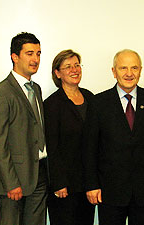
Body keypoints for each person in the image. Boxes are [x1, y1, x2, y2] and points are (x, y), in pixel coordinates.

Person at [0, 32, 48, 225]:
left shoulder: (35, 88)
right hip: (14, 181)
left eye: (38, 54)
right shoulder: (0, 93)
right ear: (15, 56)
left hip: (39, 174)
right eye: (29, 53)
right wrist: (11, 183)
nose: (35, 59)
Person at [83, 49, 144, 225]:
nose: (129, 73)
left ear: (141, 70)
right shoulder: (98, 104)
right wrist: (92, 185)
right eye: (123, 68)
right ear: (114, 71)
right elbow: (90, 149)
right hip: (110, 191)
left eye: (134, 68)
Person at [44, 49, 95, 225]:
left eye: (77, 65)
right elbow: (52, 146)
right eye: (68, 67)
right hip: (64, 185)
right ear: (57, 73)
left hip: (88, 182)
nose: (74, 70)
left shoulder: (90, 98)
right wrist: (58, 182)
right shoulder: (51, 104)